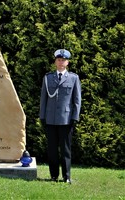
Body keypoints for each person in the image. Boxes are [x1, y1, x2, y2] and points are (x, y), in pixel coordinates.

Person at [39, 49, 81, 184]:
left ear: (67, 62)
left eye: (63, 60)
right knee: (52, 150)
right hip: (50, 119)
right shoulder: (48, 78)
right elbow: (43, 99)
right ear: (55, 62)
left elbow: (77, 100)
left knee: (65, 150)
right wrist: (42, 116)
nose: (61, 62)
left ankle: (66, 176)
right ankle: (53, 175)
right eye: (59, 60)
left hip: (66, 119)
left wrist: (75, 117)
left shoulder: (74, 78)